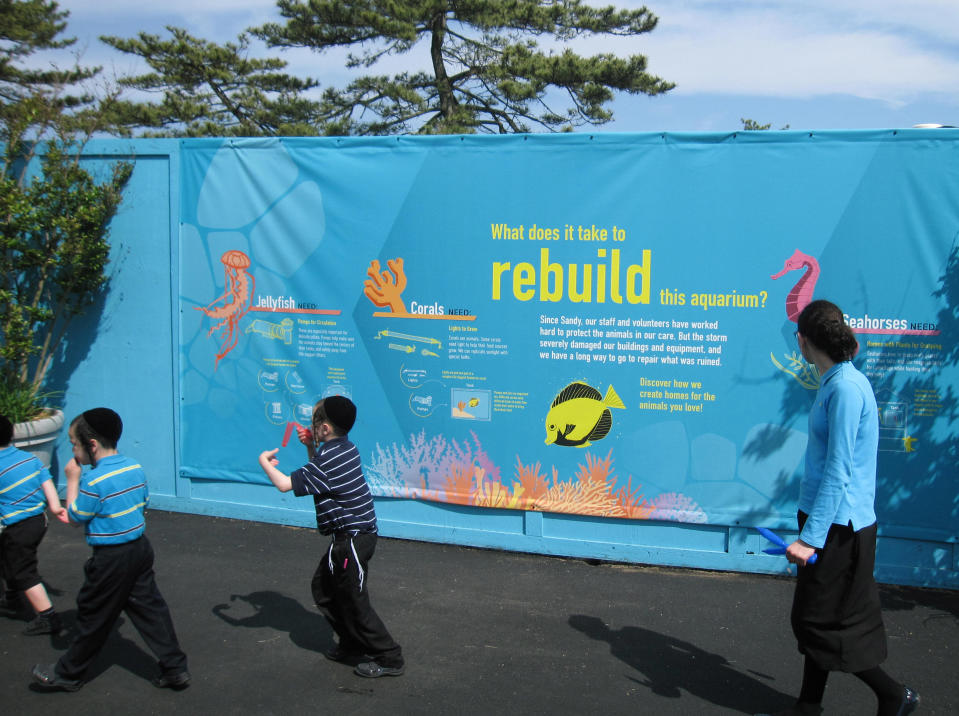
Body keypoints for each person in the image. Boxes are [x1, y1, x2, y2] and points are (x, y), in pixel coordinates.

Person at [760, 300, 919, 716]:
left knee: (818, 622)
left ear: (803, 341)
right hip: (829, 521)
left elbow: (839, 471)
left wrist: (810, 539)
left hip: (838, 528)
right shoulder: (836, 381)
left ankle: (893, 694)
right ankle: (808, 706)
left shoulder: (845, 389)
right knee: (823, 617)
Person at [31, 408, 190, 692]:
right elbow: (144, 505)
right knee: (151, 610)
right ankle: (175, 668)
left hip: (110, 559)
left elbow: (76, 517)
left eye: (74, 444)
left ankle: (68, 674)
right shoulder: (134, 467)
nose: (74, 450)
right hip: (139, 549)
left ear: (91, 445)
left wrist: (71, 480)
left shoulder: (93, 480)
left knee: (93, 615)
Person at [257, 395, 405, 678]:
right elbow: (319, 479)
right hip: (347, 537)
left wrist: (264, 461)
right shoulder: (343, 448)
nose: (310, 426)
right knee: (324, 590)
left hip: (352, 539)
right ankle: (351, 642)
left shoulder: (330, 458)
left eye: (314, 422)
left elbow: (284, 485)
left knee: (353, 599)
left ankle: (389, 657)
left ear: (324, 428)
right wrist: (311, 447)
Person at [0, 414, 66, 635]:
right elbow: (46, 482)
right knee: (7, 557)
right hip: (38, 521)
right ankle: (12, 596)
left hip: (18, 527)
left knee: (23, 571)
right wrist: (56, 507)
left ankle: (48, 617)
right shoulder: (30, 459)